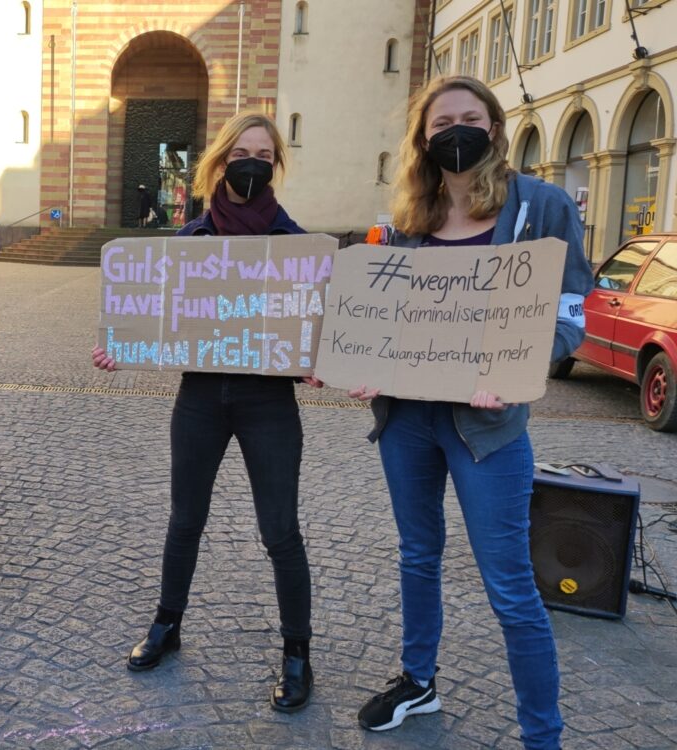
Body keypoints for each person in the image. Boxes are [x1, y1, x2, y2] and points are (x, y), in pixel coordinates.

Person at [348, 76, 593, 750]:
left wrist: (520, 369)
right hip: (407, 422)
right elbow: (385, 316)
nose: (455, 131)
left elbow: (572, 309)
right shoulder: (407, 220)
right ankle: (418, 681)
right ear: (423, 140)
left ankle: (542, 736)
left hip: (487, 428)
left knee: (511, 587)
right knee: (417, 556)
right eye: (440, 123)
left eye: (470, 118)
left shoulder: (539, 206)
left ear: (493, 127)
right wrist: (359, 363)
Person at [92, 112, 320, 712]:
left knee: (280, 531)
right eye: (242, 153)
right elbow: (156, 320)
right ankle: (168, 624)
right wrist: (125, 343)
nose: (252, 164)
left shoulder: (299, 249)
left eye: (264, 156)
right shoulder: (190, 242)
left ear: (276, 166)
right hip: (200, 399)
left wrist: (319, 358)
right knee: (184, 519)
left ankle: (298, 652)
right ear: (220, 163)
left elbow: (318, 333)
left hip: (268, 403)